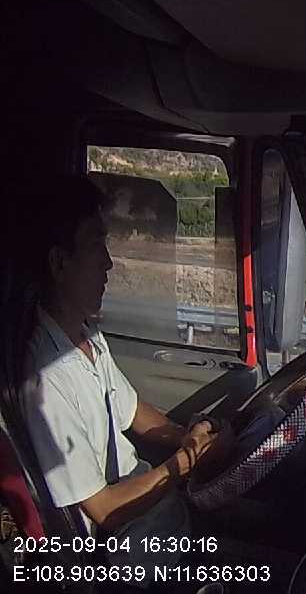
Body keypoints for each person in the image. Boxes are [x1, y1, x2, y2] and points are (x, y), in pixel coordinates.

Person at [18, 174, 229, 565]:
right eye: (96, 246)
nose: (109, 262)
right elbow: (105, 509)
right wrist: (187, 460)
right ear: (59, 262)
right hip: (124, 550)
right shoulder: (46, 380)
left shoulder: (86, 334)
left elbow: (130, 410)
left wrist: (189, 438)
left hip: (156, 514)